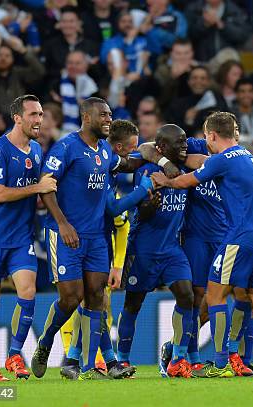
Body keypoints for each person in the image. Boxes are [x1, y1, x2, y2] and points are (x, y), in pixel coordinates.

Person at [30, 97, 172, 380]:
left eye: (109, 114)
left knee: (97, 297)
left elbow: (129, 163)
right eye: (103, 115)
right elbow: (46, 187)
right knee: (71, 298)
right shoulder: (67, 148)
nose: (109, 119)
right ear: (86, 116)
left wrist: (157, 157)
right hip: (65, 234)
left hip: (96, 238)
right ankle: (45, 343)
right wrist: (63, 223)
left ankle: (85, 365)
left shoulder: (105, 152)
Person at [152, 111, 253, 378]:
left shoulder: (224, 159)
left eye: (206, 137)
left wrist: (166, 181)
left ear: (211, 135)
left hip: (239, 238)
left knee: (214, 296)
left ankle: (221, 363)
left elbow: (188, 180)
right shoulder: (248, 156)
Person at [58, 120, 153, 380]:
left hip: (100, 249)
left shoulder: (108, 169)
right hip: (76, 243)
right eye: (131, 148)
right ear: (118, 147)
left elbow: (120, 225)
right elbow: (114, 210)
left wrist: (118, 264)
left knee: (97, 304)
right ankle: (83, 360)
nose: (132, 156)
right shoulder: (99, 168)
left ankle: (87, 361)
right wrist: (143, 190)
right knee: (86, 303)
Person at [0, 95, 56, 382]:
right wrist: (37, 188)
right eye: (33, 114)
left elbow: (38, 192)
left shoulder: (36, 150)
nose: (39, 120)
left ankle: (15, 355)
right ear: (17, 117)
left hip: (21, 237)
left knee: (28, 292)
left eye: (41, 114)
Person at [116, 124, 195, 378]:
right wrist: (149, 204)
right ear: (162, 148)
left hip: (171, 248)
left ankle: (178, 359)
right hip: (144, 248)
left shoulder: (186, 168)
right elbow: (143, 211)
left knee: (187, 296)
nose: (184, 146)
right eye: (179, 143)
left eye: (185, 141)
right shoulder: (148, 169)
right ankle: (122, 360)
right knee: (133, 303)